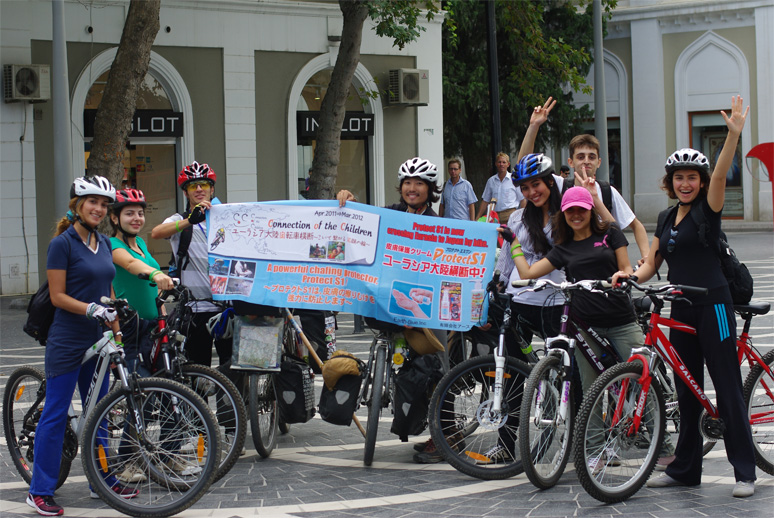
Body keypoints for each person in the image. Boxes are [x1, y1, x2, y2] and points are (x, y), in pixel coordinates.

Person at [615, 96, 756, 498]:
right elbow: (651, 261)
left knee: (727, 388)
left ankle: (744, 471)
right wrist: (629, 274)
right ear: (670, 181)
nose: (685, 183)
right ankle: (684, 469)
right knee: (686, 390)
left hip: (715, 304)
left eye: (692, 176)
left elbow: (718, 180)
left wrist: (733, 136)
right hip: (681, 307)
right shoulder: (664, 216)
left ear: (700, 179)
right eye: (679, 177)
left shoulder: (708, 209)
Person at [27, 176, 139, 517]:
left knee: (99, 413)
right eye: (93, 202)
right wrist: (90, 308)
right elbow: (59, 296)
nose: (99, 209)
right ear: (77, 205)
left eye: (104, 205)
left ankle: (100, 480)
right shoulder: (62, 244)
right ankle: (40, 490)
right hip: (67, 339)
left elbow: (108, 293)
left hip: (98, 338)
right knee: (57, 412)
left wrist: (116, 331)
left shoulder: (104, 243)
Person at [337, 157, 448, 463]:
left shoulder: (440, 223)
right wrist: (349, 200)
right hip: (390, 299)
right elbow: (364, 223)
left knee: (440, 368)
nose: (412, 189)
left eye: (419, 184)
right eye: (407, 183)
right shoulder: (392, 213)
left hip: (426, 308)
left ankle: (445, 436)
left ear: (430, 189)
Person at [150, 161, 232, 368]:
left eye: (203, 185)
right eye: (192, 186)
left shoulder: (227, 218)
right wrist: (190, 221)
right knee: (197, 371)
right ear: (185, 192)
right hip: (195, 309)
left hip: (227, 307)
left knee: (231, 371)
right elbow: (156, 233)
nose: (198, 189)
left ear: (212, 189)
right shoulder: (179, 220)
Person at [476, 152, 525, 223]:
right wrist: (477, 217)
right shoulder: (491, 181)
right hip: (494, 217)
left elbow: (523, 200)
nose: (501, 164)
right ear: (496, 164)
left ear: (508, 164)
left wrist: (521, 217)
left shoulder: (514, 179)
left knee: (508, 234)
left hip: (510, 215)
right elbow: (485, 201)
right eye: (499, 162)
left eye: (504, 162)